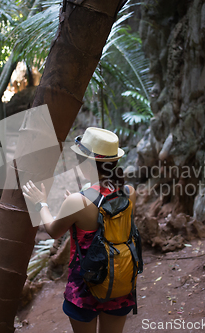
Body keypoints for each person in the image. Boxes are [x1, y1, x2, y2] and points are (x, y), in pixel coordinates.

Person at [22, 127, 137, 333]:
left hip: (86, 285)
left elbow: (53, 230)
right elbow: (110, 216)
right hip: (120, 279)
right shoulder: (130, 192)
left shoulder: (78, 201)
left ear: (87, 164)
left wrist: (42, 204)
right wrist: (76, 201)